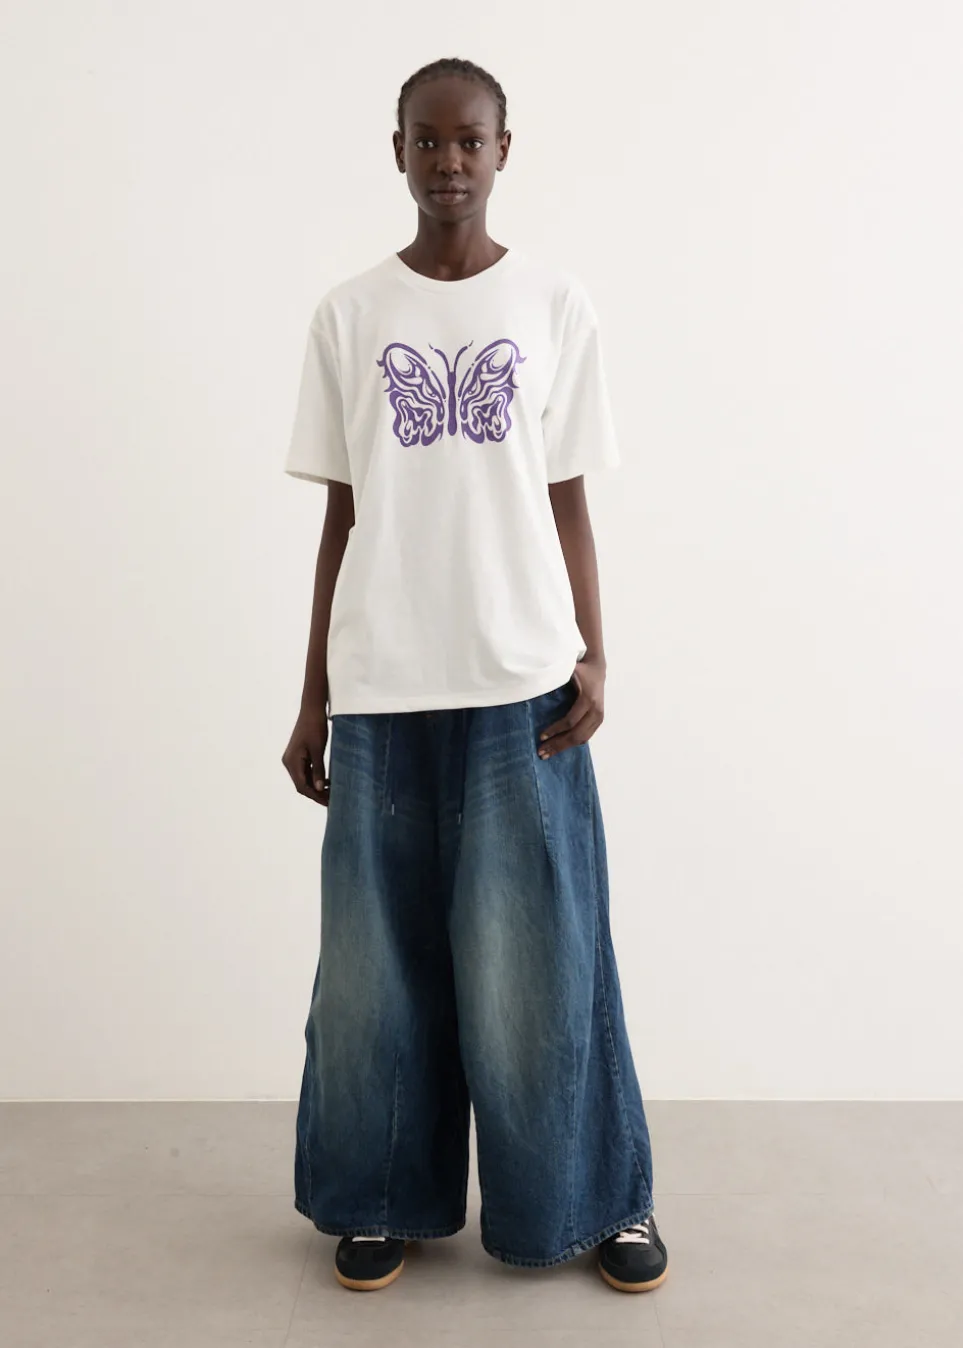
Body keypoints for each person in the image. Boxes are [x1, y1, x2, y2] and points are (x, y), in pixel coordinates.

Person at [281, 56, 668, 1296]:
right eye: (427, 139)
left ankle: (594, 1199)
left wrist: (595, 650)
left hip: (520, 685)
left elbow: (568, 498)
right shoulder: (350, 314)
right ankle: (378, 1196)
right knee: (373, 968)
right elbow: (342, 517)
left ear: (505, 149)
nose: (448, 160)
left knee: (539, 960)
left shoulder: (554, 303)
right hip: (383, 684)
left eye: (470, 139)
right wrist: (312, 694)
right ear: (396, 149)